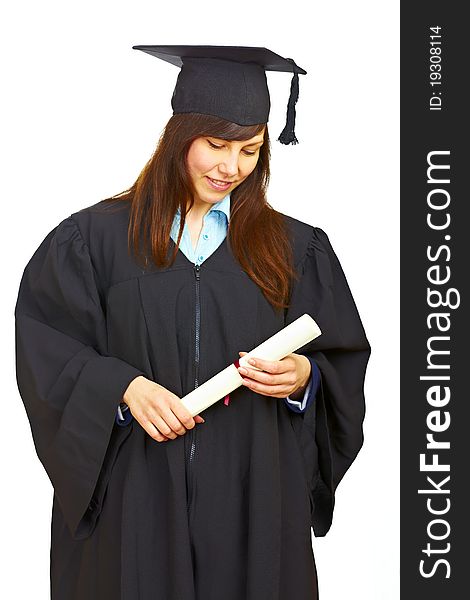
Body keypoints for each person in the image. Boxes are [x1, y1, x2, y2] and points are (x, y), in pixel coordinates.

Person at [15, 45, 370, 600]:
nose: (232, 167)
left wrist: (304, 379)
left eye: (251, 150)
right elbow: (47, 352)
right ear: (180, 137)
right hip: (136, 502)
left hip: (253, 494)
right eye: (217, 145)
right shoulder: (93, 241)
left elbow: (341, 362)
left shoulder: (295, 248)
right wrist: (124, 387)